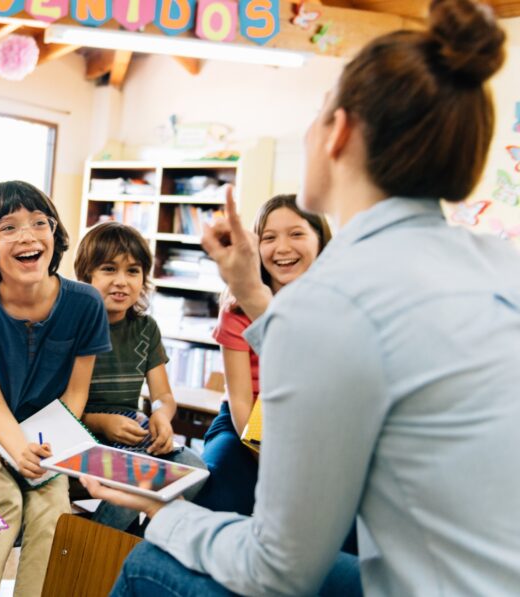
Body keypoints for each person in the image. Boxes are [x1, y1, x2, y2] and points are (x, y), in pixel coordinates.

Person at [87, 0, 520, 594]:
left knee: (149, 563)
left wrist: (166, 512)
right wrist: (247, 286)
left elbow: (279, 570)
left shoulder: (332, 302)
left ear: (338, 132)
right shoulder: (503, 266)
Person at [0, 181, 111, 596]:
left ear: (54, 236)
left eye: (40, 223)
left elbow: (76, 395)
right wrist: (17, 450)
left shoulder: (86, 303)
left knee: (52, 511)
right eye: (8, 227)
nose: (27, 235)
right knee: (4, 502)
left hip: (49, 431)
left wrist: (46, 445)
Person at [194, 195, 329, 517]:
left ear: (321, 241)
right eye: (269, 238)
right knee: (218, 491)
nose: (282, 248)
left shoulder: (337, 304)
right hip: (245, 423)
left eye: (296, 234)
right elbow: (239, 399)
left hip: (312, 426)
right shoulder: (237, 309)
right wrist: (264, 457)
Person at [72, 220, 206, 533]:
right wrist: (102, 422)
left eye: (132, 271)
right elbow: (59, 407)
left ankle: (140, 543)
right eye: (108, 269)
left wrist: (161, 416)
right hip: (83, 434)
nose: (122, 281)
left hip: (134, 434)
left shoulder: (146, 329)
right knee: (137, 479)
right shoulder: (72, 327)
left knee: (197, 470)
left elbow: (162, 396)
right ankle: (97, 550)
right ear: (86, 275)